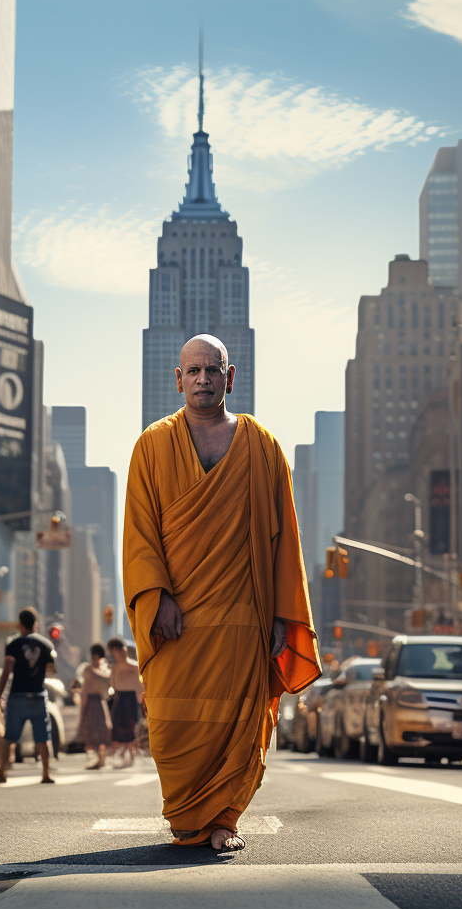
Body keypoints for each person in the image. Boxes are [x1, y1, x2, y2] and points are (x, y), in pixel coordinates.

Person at [123, 334, 322, 851]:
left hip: (243, 619)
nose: (203, 380)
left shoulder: (263, 446)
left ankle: (225, 820)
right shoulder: (152, 445)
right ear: (178, 379)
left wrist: (282, 616)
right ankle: (189, 816)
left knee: (239, 725)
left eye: (213, 370)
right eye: (193, 371)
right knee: (172, 724)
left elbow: (284, 540)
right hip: (177, 619)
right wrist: (156, 596)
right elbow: (140, 532)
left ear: (231, 377)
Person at [0, 607, 56, 784]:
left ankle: (2, 773)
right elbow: (51, 671)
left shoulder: (13, 644)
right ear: (35, 624)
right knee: (42, 737)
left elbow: (7, 672)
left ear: (20, 624)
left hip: (17, 696)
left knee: (8, 737)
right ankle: (46, 774)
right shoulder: (47, 644)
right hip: (38, 695)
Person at [76, 644, 113, 770]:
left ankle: (98, 760)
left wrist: (83, 706)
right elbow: (108, 690)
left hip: (92, 703)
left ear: (95, 655)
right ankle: (102, 759)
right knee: (102, 732)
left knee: (91, 732)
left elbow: (85, 689)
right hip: (102, 703)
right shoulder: (106, 671)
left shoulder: (89, 670)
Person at [107, 637, 142, 767]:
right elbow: (113, 685)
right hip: (122, 698)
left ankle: (130, 753)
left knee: (130, 726)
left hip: (129, 698)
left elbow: (139, 684)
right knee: (124, 727)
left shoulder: (132, 665)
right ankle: (127, 752)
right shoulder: (118, 666)